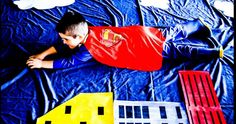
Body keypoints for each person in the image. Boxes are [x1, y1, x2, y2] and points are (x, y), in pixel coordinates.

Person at [26, 12, 224, 71]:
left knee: (176, 51)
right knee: (172, 32)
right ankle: (196, 24)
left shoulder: (87, 50)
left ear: (78, 37)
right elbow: (64, 45)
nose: (63, 42)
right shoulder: (88, 28)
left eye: (66, 39)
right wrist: (43, 53)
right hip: (141, 34)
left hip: (146, 49)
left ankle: (212, 52)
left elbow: (69, 62)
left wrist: (43, 64)